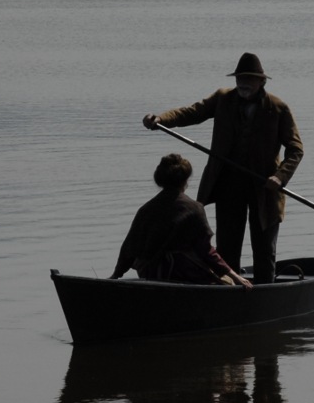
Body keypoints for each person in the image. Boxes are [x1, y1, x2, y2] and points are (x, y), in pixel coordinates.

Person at [141, 52, 303, 284]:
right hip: (229, 186)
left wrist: (280, 177)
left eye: (249, 78)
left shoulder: (278, 108)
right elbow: (192, 112)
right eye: (239, 78)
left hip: (265, 190)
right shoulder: (223, 99)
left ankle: (266, 296)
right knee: (227, 249)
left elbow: (296, 149)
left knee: (264, 250)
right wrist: (161, 120)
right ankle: (229, 292)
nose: (243, 83)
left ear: (261, 81)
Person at [111, 153, 251, 286]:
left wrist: (115, 276)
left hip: (150, 272)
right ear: (185, 181)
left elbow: (128, 249)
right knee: (228, 282)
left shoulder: (145, 209)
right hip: (181, 272)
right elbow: (207, 252)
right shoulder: (194, 208)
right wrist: (234, 276)